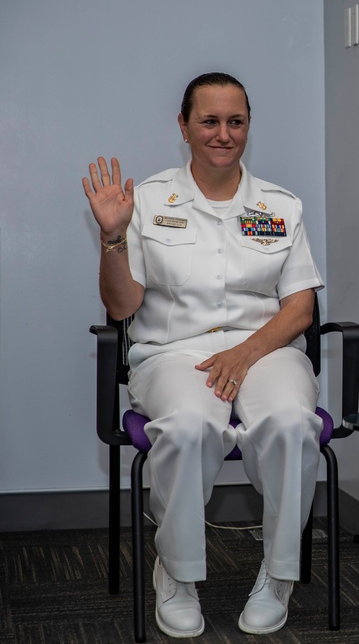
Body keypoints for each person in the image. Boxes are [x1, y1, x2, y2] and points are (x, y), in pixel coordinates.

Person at [83, 72, 324, 638]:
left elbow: (299, 310)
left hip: (267, 350)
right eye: (209, 121)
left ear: (248, 127)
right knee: (190, 426)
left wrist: (245, 353)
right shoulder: (146, 202)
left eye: (235, 121)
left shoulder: (280, 205)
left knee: (293, 423)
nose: (223, 133)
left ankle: (278, 574)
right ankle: (178, 573)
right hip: (173, 353)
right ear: (184, 127)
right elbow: (122, 307)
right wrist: (112, 237)